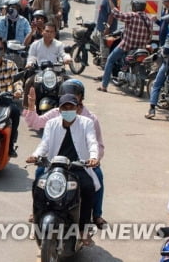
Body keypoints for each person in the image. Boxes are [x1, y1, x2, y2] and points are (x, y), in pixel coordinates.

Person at [24, 79, 107, 228]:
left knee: (92, 184)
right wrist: (35, 155)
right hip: (55, 164)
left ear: (79, 100)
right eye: (64, 106)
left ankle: (92, 219)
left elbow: (95, 143)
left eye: (72, 102)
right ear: (60, 107)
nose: (68, 109)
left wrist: (94, 158)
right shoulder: (53, 119)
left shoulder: (89, 120)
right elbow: (44, 142)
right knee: (39, 181)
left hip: (81, 163)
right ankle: (38, 214)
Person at [98, 0, 152, 93]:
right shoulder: (149, 19)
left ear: (134, 7)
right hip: (141, 48)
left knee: (110, 60)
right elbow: (149, 37)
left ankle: (104, 86)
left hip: (127, 46)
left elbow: (116, 14)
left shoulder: (132, 16)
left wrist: (110, 0)